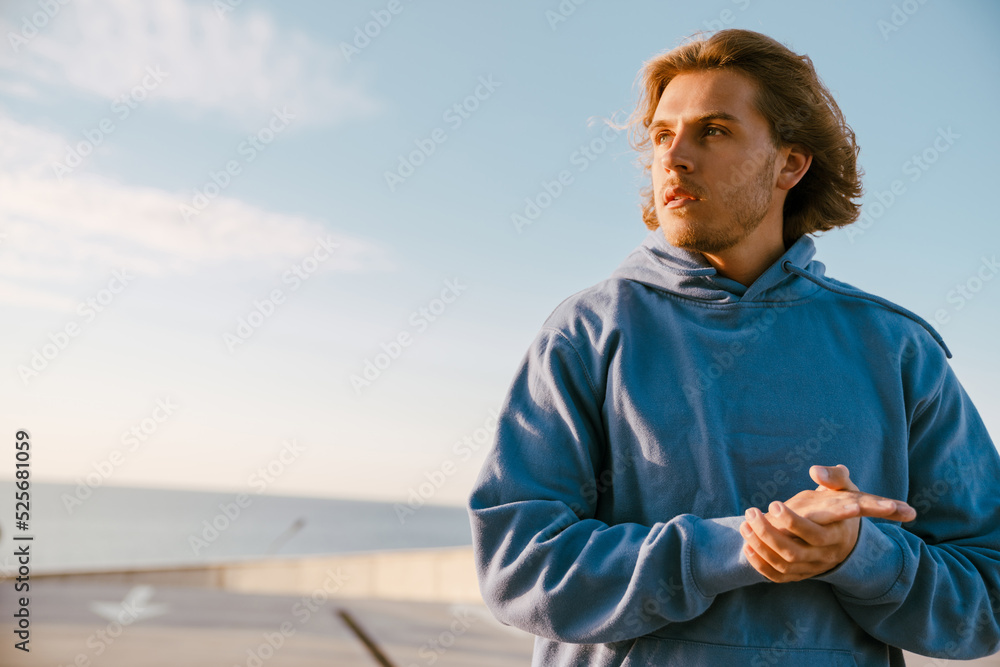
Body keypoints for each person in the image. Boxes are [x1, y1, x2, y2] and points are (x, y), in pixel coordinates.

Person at [467, 28, 1000, 666]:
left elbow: (986, 598)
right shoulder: (587, 331)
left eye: (713, 130)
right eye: (663, 135)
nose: (674, 157)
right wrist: (739, 548)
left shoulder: (897, 349)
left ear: (790, 164)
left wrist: (861, 555)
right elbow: (518, 568)